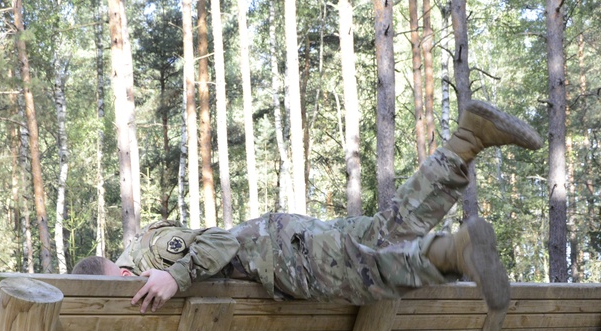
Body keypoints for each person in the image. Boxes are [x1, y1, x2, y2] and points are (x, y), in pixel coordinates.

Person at [73, 100, 542, 313]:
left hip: (277, 252)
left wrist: (173, 274)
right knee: (387, 231)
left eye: (123, 286)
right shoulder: (140, 277)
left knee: (364, 277)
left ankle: (453, 253)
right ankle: (467, 140)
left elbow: (217, 241)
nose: (132, 295)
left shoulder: (148, 252)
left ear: (120, 272)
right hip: (284, 244)